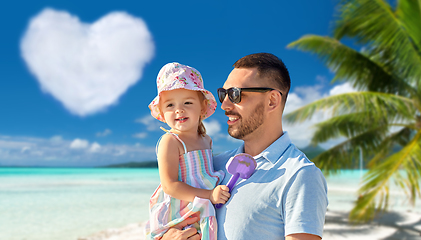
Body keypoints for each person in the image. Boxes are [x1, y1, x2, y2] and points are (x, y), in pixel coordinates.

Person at [161, 53, 328, 240]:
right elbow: (173, 215)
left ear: (272, 101)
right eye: (223, 94)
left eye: (235, 94)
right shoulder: (213, 166)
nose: (224, 105)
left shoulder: (300, 176)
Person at [145, 62, 230, 240]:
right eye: (170, 105)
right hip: (180, 210)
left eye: (188, 102)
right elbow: (170, 186)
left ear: (202, 107)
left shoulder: (206, 140)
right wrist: (209, 195)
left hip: (202, 205)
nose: (179, 109)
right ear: (161, 110)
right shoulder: (170, 141)